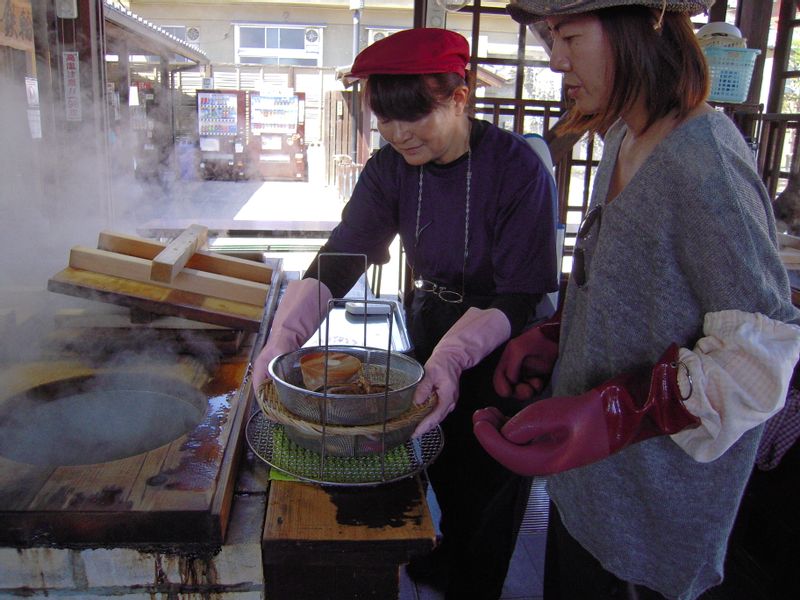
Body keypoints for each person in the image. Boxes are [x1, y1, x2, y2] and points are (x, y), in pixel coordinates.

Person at [472, 2, 800, 599]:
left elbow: (759, 361)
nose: (556, 59)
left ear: (642, 25)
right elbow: (641, 286)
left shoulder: (706, 163)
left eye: (569, 36)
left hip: (654, 518)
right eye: (551, 38)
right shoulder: (625, 131)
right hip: (589, 493)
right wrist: (560, 336)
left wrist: (618, 411)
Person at [250, 28, 559, 599]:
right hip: (430, 321)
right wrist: (284, 335)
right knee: (435, 454)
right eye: (385, 119)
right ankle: (447, 559)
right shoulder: (392, 166)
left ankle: (477, 582)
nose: (397, 133)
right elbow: (344, 254)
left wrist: (454, 356)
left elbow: (520, 293)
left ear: (459, 98)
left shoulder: (517, 170)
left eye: (414, 115)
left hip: (503, 341)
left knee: (489, 475)